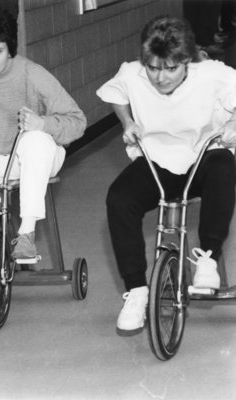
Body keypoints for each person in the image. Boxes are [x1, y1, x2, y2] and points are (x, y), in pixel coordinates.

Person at [97, 16, 236, 335]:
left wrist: (232, 124)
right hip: (157, 162)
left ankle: (208, 259)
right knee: (119, 198)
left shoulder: (211, 74)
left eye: (170, 69)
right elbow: (116, 93)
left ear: (187, 61)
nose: (160, 77)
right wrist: (126, 123)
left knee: (223, 166)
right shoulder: (133, 72)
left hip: (201, 158)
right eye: (153, 67)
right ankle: (137, 291)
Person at [0, 6, 87, 263]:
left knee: (35, 139)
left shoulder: (31, 73)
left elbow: (78, 122)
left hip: (30, 159)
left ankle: (26, 234)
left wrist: (42, 123)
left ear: (10, 50)